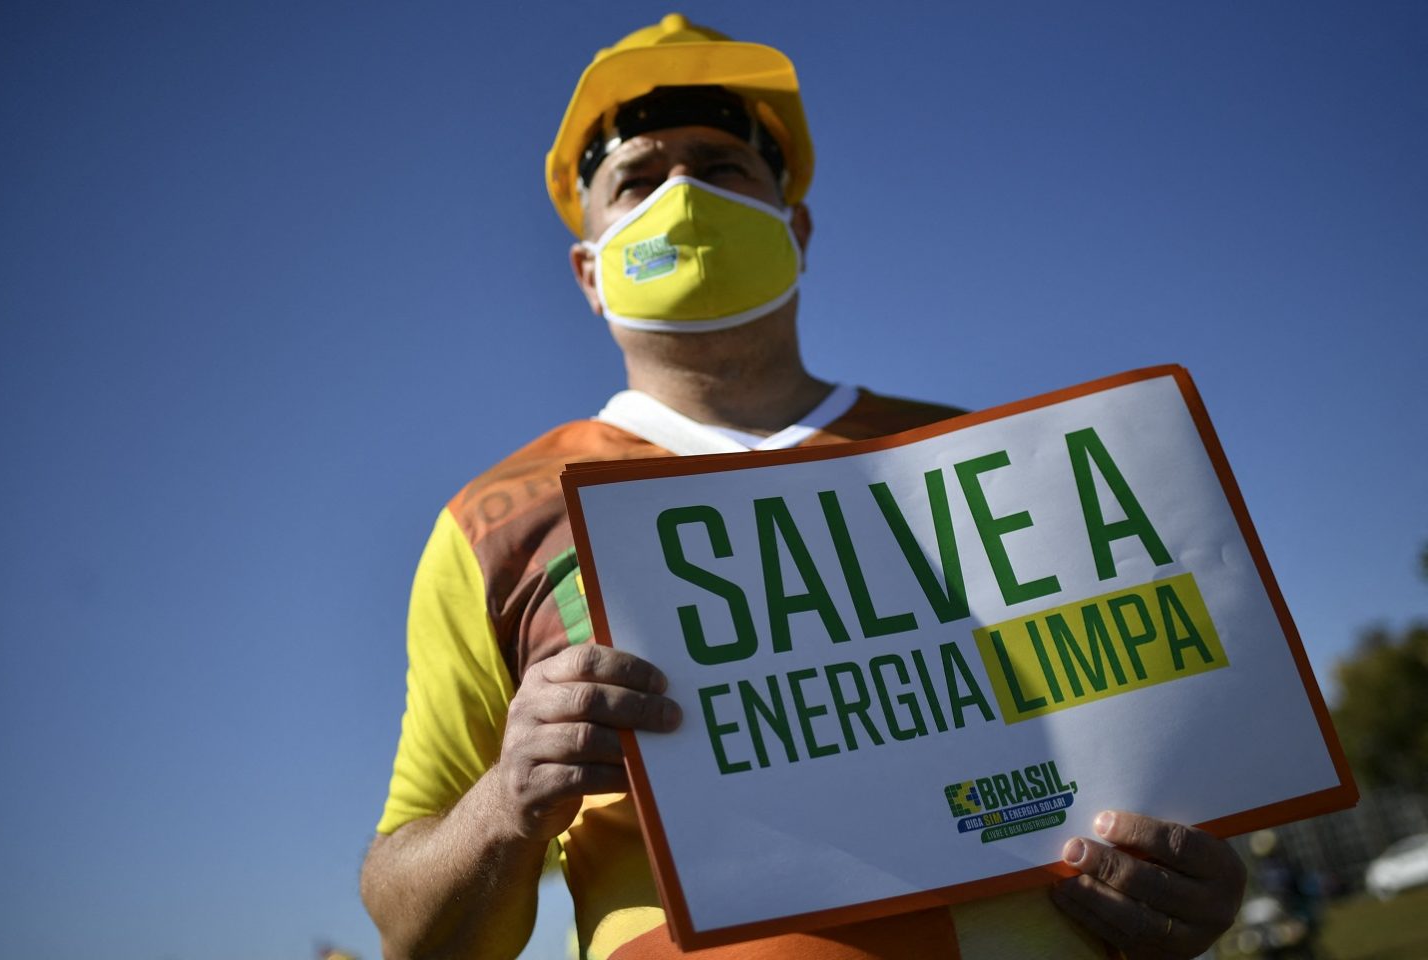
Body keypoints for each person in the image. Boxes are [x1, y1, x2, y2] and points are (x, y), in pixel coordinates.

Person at [360, 14, 1246, 960]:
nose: (684, 192)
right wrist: (504, 803)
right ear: (588, 270)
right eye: (638, 177)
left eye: (720, 163)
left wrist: (1189, 879)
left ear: (799, 226)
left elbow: (1154, 775)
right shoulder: (496, 521)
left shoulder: (992, 460)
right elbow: (413, 925)